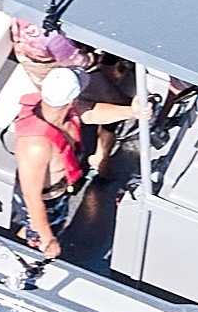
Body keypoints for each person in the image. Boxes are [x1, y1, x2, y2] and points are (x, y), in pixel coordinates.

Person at [13, 65, 141, 258]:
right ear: (70, 100)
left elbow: (91, 113)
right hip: (46, 199)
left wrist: (132, 111)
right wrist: (48, 240)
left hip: (64, 188)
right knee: (33, 236)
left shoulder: (63, 109)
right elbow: (32, 198)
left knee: (57, 221)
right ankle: (24, 256)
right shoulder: (36, 146)